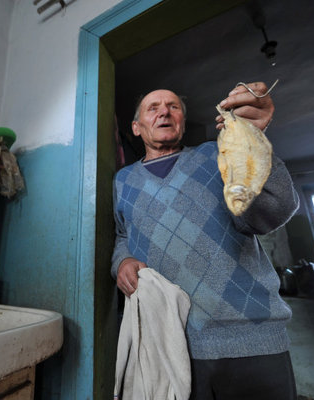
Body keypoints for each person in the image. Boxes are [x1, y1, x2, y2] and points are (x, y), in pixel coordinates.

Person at [111, 82, 299, 400]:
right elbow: (122, 235)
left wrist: (253, 140)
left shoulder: (215, 154)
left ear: (182, 122)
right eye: (153, 107)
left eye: (173, 107)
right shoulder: (122, 180)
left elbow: (273, 210)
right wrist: (122, 261)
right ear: (136, 127)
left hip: (250, 339)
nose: (164, 112)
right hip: (168, 343)